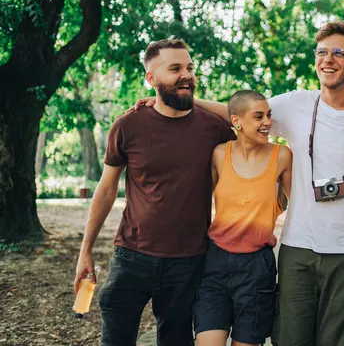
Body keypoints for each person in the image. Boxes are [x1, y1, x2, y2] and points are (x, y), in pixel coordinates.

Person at [134, 21, 344, 346]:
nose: (328, 59)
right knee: (290, 338)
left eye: (339, 52)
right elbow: (241, 115)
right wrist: (177, 103)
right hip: (298, 248)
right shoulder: (294, 103)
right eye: (322, 51)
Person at [73, 39, 235, 346]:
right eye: (175, 69)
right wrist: (86, 250)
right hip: (132, 256)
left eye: (189, 67)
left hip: (189, 261)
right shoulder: (127, 126)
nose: (186, 75)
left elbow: (248, 117)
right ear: (151, 78)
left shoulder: (214, 129)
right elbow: (106, 190)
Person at [193, 90, 292, 346]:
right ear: (236, 121)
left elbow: (300, 204)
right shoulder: (218, 154)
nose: (267, 122)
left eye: (269, 116)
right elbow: (199, 204)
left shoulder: (281, 156)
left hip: (256, 268)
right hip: (215, 263)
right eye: (258, 116)